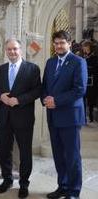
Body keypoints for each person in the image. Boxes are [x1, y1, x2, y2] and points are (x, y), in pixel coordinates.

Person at [0, 38, 41, 198]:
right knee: (4, 150)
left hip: (23, 117)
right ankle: (7, 180)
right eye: (9, 49)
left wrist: (18, 100)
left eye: (15, 49)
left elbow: (37, 91)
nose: (12, 52)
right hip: (4, 117)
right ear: (5, 51)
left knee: (25, 152)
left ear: (20, 49)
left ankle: (24, 183)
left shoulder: (32, 68)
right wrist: (1, 97)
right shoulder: (1, 69)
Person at [42, 30, 88, 199]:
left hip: (70, 117)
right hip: (53, 116)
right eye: (56, 43)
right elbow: (45, 85)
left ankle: (74, 191)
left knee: (72, 155)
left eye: (62, 43)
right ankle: (62, 186)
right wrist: (45, 99)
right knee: (59, 155)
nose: (59, 46)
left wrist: (56, 101)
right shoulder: (50, 62)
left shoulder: (78, 62)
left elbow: (80, 89)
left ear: (69, 44)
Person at [81, 40, 98, 122]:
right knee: (83, 98)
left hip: (92, 80)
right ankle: (84, 117)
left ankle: (91, 115)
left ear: (90, 47)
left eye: (86, 46)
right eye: (84, 47)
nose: (85, 48)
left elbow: (95, 68)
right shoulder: (83, 57)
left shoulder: (94, 57)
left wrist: (88, 68)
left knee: (91, 99)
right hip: (84, 80)